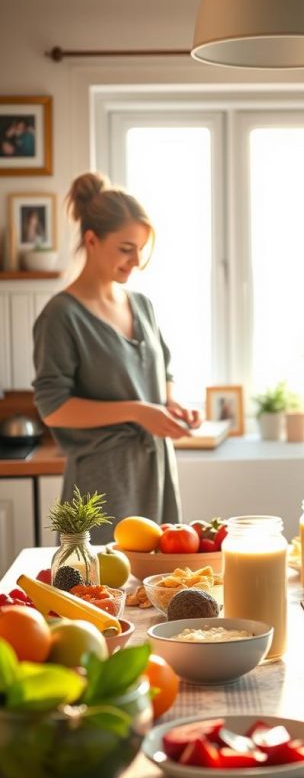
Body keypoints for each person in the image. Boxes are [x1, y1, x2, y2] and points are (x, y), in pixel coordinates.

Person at [33, 171, 199, 544]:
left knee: (159, 588)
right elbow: (53, 407)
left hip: (156, 470)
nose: (137, 260)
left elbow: (163, 371)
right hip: (102, 481)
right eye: (126, 248)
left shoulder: (142, 305)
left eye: (141, 248)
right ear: (92, 240)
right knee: (102, 591)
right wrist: (139, 411)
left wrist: (172, 404)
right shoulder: (62, 315)